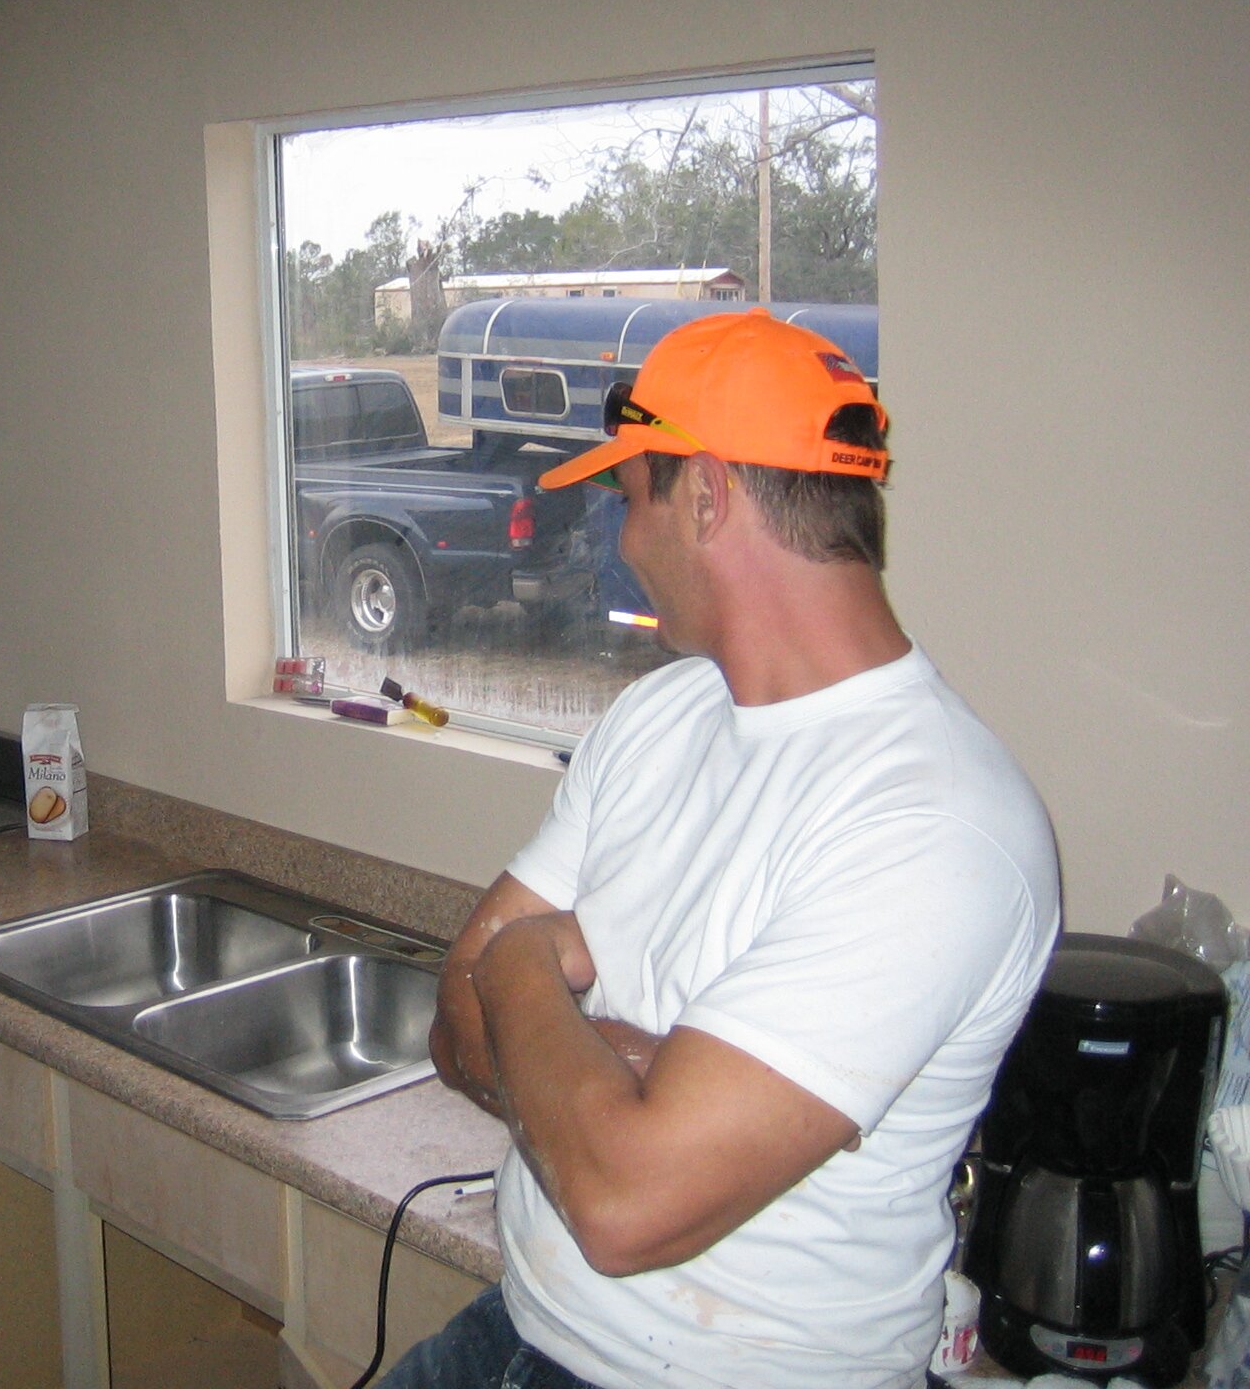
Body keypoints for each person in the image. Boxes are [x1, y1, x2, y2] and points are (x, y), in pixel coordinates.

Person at [390, 310, 1061, 1389]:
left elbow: (623, 1202)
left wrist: (520, 966)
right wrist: (612, 1084)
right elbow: (452, 1031)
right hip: (519, 1330)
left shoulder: (934, 824)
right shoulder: (657, 718)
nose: (621, 541)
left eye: (630, 497)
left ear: (704, 495)